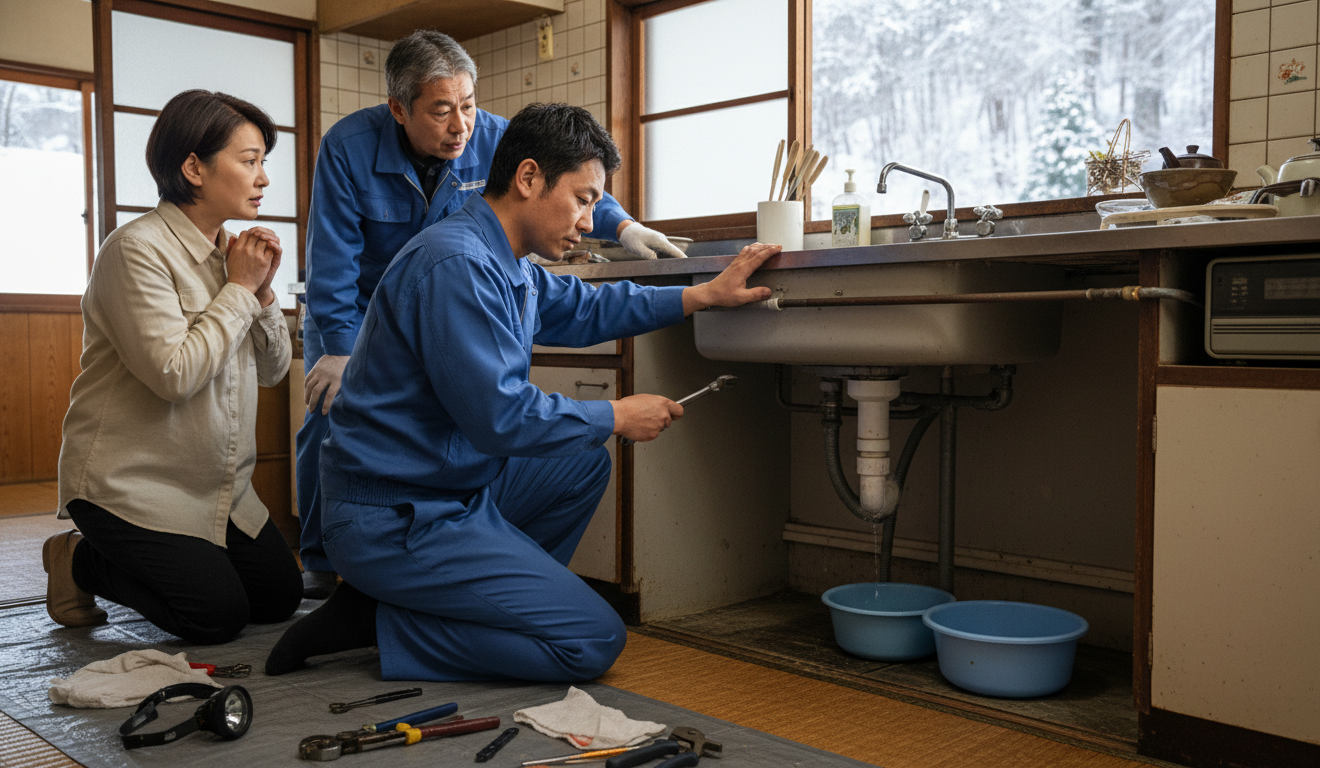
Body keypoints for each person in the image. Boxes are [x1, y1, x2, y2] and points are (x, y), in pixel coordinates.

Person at [265, 103, 778, 682]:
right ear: (529, 178)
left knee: (579, 464)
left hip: (447, 485)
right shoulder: (456, 263)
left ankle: (466, 602)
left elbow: (588, 306)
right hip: (394, 515)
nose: (589, 221)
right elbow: (501, 419)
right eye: (583, 199)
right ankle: (383, 624)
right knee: (591, 640)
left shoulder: (504, 261)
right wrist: (614, 414)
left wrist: (700, 296)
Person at [296, 31, 686, 599]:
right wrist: (338, 347)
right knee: (335, 414)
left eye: (469, 105)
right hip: (360, 311)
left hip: (451, 299)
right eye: (441, 111)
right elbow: (331, 258)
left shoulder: (495, 138)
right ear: (398, 109)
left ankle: (476, 572)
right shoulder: (347, 146)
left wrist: (625, 227)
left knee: (455, 426)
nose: (461, 127)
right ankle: (324, 566)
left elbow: (572, 182)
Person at [45, 89, 303, 644]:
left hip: (218, 487)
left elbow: (275, 370)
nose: (263, 179)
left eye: (264, 163)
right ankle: (78, 559)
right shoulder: (134, 250)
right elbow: (175, 375)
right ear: (194, 168)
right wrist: (238, 288)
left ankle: (172, 562)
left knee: (280, 599)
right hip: (132, 487)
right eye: (249, 160)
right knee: (214, 617)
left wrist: (258, 294)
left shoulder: (232, 256)